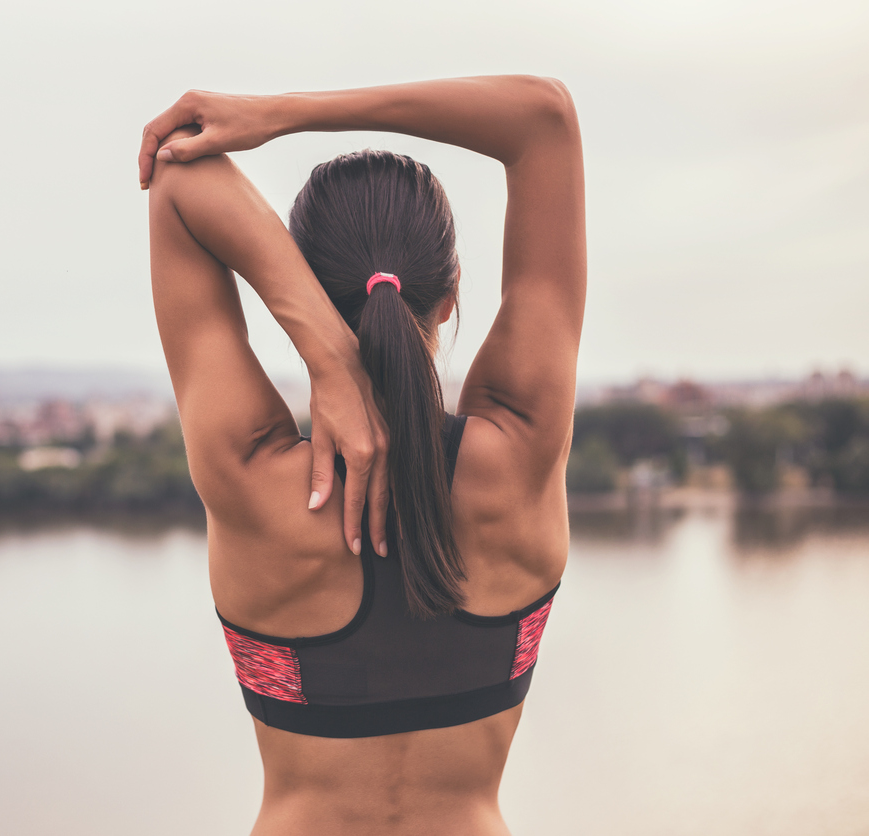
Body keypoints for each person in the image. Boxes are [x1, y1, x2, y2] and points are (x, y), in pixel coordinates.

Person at [138, 76, 584, 835]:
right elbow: (544, 118)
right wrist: (284, 115)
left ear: (305, 290)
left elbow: (179, 174)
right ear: (450, 294)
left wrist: (325, 351)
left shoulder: (254, 478)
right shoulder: (520, 451)